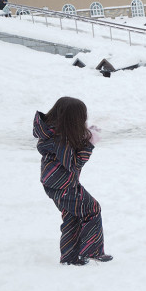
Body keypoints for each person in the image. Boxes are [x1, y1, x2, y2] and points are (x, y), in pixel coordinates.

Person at [33, 97, 112, 266]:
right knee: (92, 209)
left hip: (55, 183)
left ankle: (70, 257)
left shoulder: (53, 132)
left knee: (73, 216)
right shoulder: (60, 141)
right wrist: (89, 144)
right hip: (64, 185)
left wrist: (84, 137)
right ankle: (91, 251)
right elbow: (74, 164)